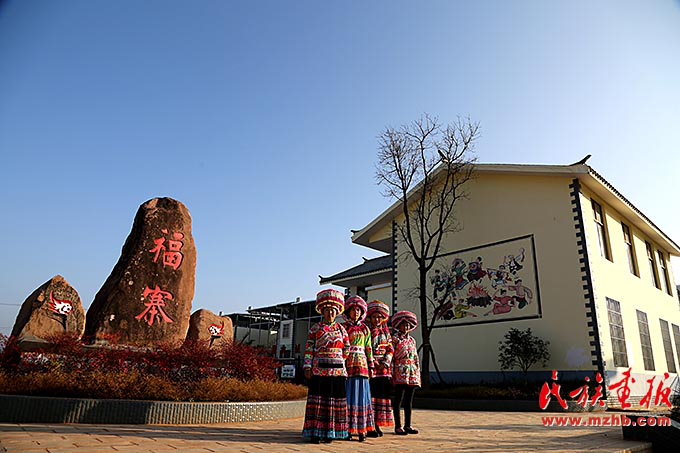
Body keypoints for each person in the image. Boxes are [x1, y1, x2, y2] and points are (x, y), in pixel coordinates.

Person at [302, 289, 350, 444]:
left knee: (334, 403)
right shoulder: (315, 329)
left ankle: (331, 432)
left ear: (337, 312)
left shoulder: (342, 329)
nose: (330, 313)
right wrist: (307, 366)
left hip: (337, 372)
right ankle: (315, 433)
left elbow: (347, 348)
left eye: (333, 310)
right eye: (327, 310)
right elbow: (309, 349)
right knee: (318, 402)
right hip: (319, 371)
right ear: (322, 311)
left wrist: (338, 359)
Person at [342, 295, 375, 441]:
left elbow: (369, 348)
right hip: (348, 364)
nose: (355, 312)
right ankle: (348, 429)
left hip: (362, 365)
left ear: (362, 312)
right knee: (348, 396)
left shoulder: (365, 329)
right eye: (353, 310)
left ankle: (362, 429)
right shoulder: (343, 328)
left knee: (362, 396)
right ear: (348, 311)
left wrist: (371, 365)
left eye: (358, 310)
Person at [365, 300, 394, 437]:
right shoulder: (366, 331)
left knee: (380, 397)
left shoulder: (386, 333)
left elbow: (390, 349)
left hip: (383, 369)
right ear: (370, 318)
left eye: (379, 317)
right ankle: (370, 425)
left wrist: (386, 362)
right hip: (370, 368)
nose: (377, 320)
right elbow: (364, 347)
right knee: (370, 397)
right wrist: (372, 361)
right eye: (374, 317)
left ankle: (377, 423)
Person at [391, 310, 420, 435]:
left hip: (412, 372)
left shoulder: (412, 340)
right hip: (399, 371)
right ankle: (398, 426)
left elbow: (416, 357)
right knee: (398, 400)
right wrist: (391, 372)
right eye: (403, 325)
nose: (406, 327)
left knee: (409, 400)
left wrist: (417, 373)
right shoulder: (395, 339)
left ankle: (408, 425)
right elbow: (391, 356)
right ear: (399, 326)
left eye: (408, 325)